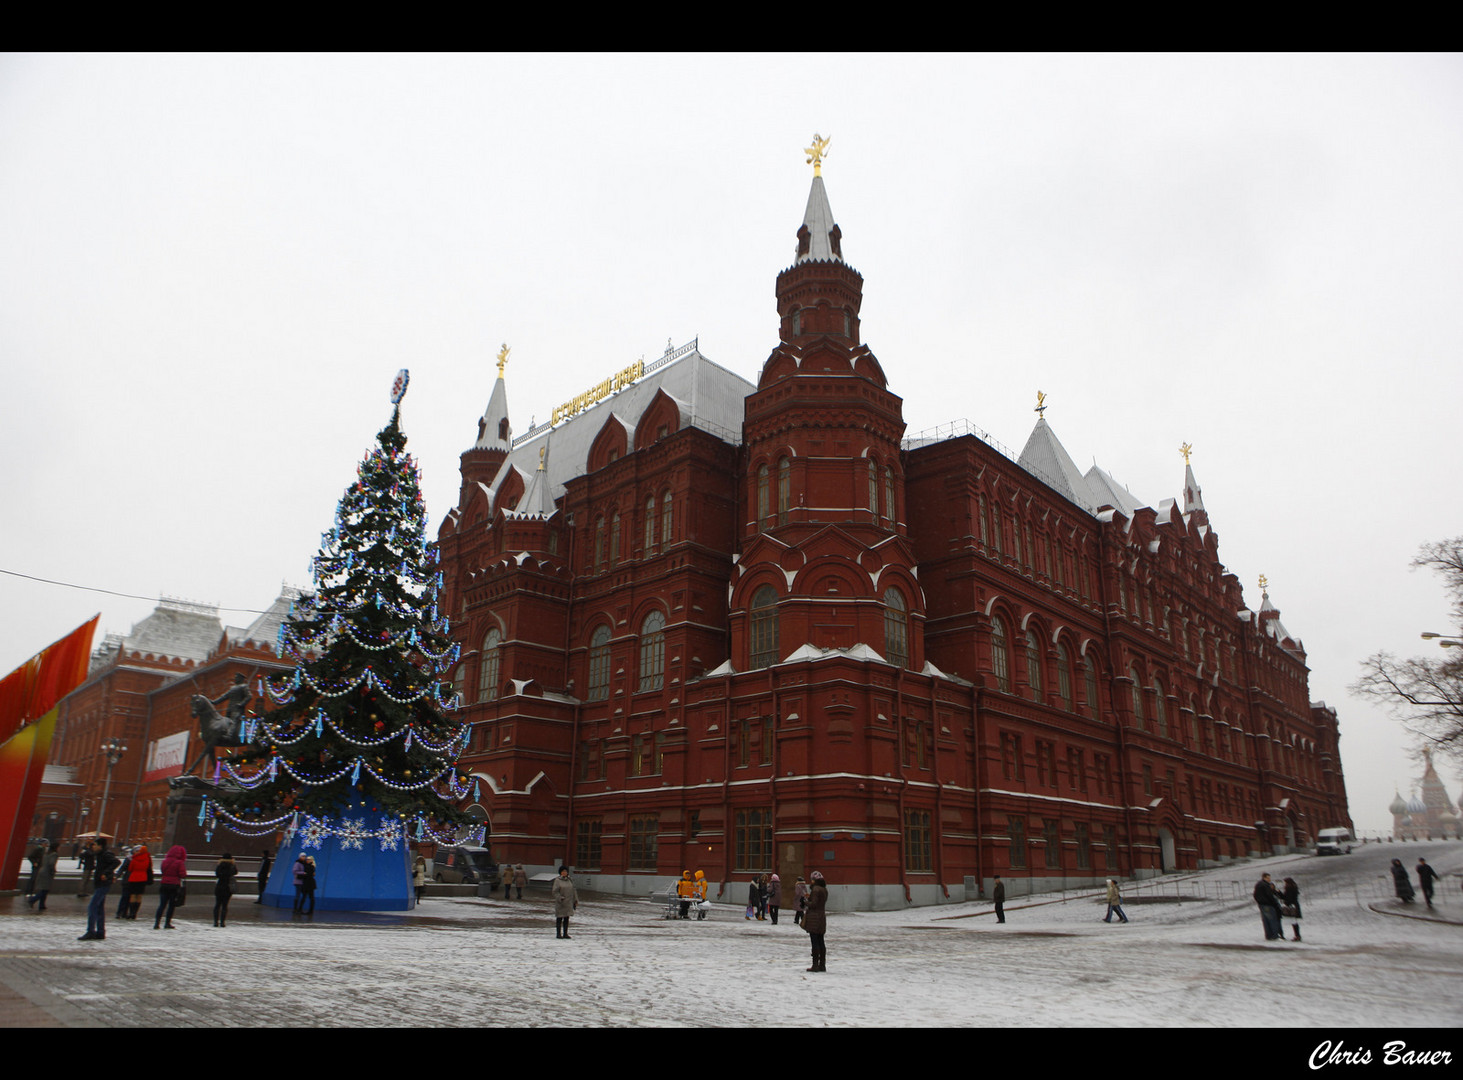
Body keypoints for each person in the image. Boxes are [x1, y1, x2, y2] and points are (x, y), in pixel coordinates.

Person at [80, 839, 119, 941]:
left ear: (100, 846)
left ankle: (91, 931)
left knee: (92, 907)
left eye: (95, 845)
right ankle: (100, 932)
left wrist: (106, 873)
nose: (93, 846)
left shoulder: (105, 854)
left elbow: (116, 862)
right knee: (99, 908)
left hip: (103, 884)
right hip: (101, 884)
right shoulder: (100, 854)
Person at [153, 844, 187, 929]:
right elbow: (182, 875)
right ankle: (167, 923)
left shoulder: (164, 861)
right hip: (174, 885)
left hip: (164, 884)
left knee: (162, 904)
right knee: (171, 905)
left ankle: (157, 923)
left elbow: (162, 871)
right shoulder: (179, 862)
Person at [803, 870, 828, 972]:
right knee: (821, 941)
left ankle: (815, 965)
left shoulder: (815, 889)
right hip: (821, 917)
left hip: (814, 918)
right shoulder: (824, 890)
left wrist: (805, 902)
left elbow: (814, 904)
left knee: (815, 942)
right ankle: (822, 964)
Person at [124, 844, 153, 919]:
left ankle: (131, 913)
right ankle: (135, 913)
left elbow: (130, 869)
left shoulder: (134, 858)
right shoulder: (148, 859)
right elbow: (149, 868)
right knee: (139, 896)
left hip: (133, 878)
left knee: (133, 895)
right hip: (143, 878)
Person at [28, 845, 60, 912]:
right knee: (45, 890)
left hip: (42, 871)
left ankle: (42, 905)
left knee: (43, 889)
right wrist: (53, 871)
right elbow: (51, 863)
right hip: (47, 873)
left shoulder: (46, 854)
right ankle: (33, 900)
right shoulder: (54, 855)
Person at [1254, 872, 1283, 940]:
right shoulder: (1266, 885)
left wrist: (1260, 902)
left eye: (1269, 878)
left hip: (1262, 905)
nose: (1269, 879)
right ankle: (1274, 935)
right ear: (1264, 878)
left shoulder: (1258, 884)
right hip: (1268, 905)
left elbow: (1255, 895)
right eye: (1268, 878)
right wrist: (1274, 903)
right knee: (1272, 920)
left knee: (1266, 921)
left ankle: (1268, 935)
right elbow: (1269, 896)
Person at [551, 865, 577, 939]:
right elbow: (555, 891)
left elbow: (573, 890)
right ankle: (558, 933)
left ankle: (565, 933)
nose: (564, 873)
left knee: (566, 918)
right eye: (563, 871)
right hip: (561, 902)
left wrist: (575, 900)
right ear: (560, 872)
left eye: (565, 871)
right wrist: (560, 898)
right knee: (559, 918)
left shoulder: (570, 880)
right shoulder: (557, 880)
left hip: (569, 902)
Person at [214, 852, 238, 927]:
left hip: (220, 886)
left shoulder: (220, 865)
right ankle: (222, 922)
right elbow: (235, 872)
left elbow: (217, 874)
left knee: (217, 904)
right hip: (228, 887)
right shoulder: (232, 866)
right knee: (225, 905)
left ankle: (215, 922)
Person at [1280, 877, 1302, 942]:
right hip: (1295, 905)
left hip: (1291, 907)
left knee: (1293, 922)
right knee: (1294, 922)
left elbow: (1287, 898)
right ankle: (1297, 935)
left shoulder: (1289, 889)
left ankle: (1297, 935)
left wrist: (1286, 903)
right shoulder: (1294, 888)